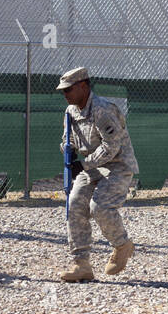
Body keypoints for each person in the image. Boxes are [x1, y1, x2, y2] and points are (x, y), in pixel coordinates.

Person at [56, 67, 137, 282]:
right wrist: (68, 150)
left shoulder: (103, 109)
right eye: (63, 91)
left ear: (83, 86)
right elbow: (67, 139)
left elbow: (112, 146)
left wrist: (83, 164)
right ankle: (81, 265)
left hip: (117, 166)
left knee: (100, 207)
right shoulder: (71, 112)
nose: (65, 95)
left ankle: (122, 246)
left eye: (69, 90)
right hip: (90, 167)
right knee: (75, 205)